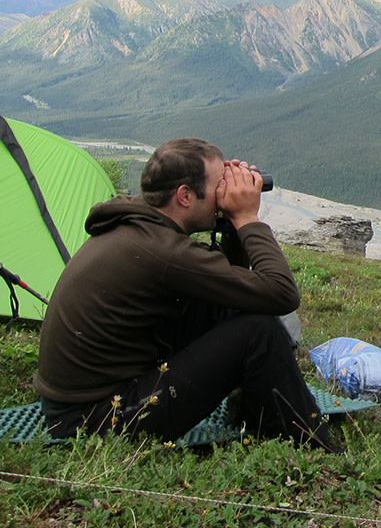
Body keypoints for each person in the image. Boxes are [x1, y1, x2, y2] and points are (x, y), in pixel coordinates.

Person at [34, 137, 333, 450]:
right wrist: (246, 218)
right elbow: (281, 293)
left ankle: (255, 412)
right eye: (220, 185)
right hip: (96, 421)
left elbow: (232, 289)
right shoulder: (162, 251)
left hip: (74, 407)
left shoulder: (140, 225)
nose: (225, 193)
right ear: (185, 195)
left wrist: (229, 227)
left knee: (229, 308)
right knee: (258, 332)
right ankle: (312, 445)